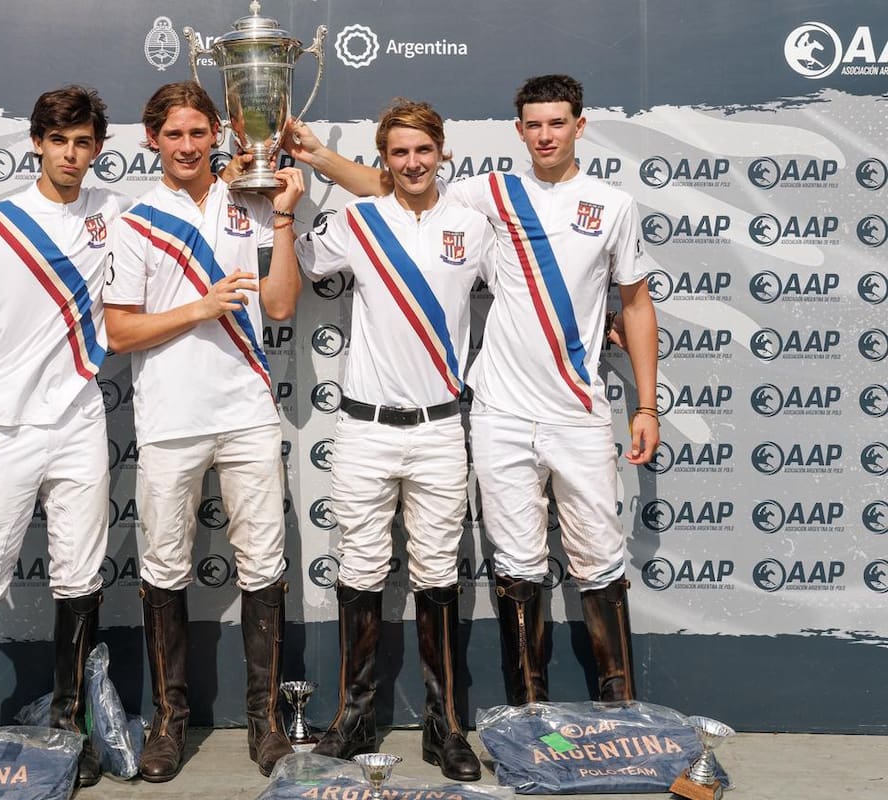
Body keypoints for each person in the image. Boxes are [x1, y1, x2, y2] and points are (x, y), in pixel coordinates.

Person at [283, 74, 659, 706]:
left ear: (579, 125)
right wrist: (319, 158)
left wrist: (646, 403)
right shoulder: (488, 196)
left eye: (557, 122)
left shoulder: (613, 204)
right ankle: (527, 713)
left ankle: (619, 709)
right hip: (500, 413)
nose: (545, 135)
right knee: (516, 565)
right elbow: (393, 190)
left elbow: (637, 301)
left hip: (580, 409)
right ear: (518, 131)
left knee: (599, 555)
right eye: (533, 124)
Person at [102, 81, 305, 781]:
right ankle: (169, 721)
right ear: (151, 138)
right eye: (174, 134)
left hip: (246, 412)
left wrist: (282, 219)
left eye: (198, 133)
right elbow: (119, 329)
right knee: (162, 568)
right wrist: (199, 308)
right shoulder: (136, 222)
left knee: (264, 567)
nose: (188, 146)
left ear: (219, 132)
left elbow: (277, 306)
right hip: (170, 419)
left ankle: (266, 723)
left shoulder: (250, 200)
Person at [0, 85, 127, 787]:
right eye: (60, 140)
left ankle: (68, 730)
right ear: (37, 142)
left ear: (98, 149)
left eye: (84, 142)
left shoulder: (116, 215)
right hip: (3, 425)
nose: (72, 154)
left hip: (79, 419)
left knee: (80, 577)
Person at [294, 99, 490, 781]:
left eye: (423, 150)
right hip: (364, 428)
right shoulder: (357, 220)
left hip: (441, 428)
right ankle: (355, 717)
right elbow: (300, 272)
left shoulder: (474, 225)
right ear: (384, 160)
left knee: (439, 577)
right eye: (399, 153)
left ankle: (446, 726)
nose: (412, 163)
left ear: (442, 151)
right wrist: (287, 192)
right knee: (359, 570)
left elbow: (526, 301)